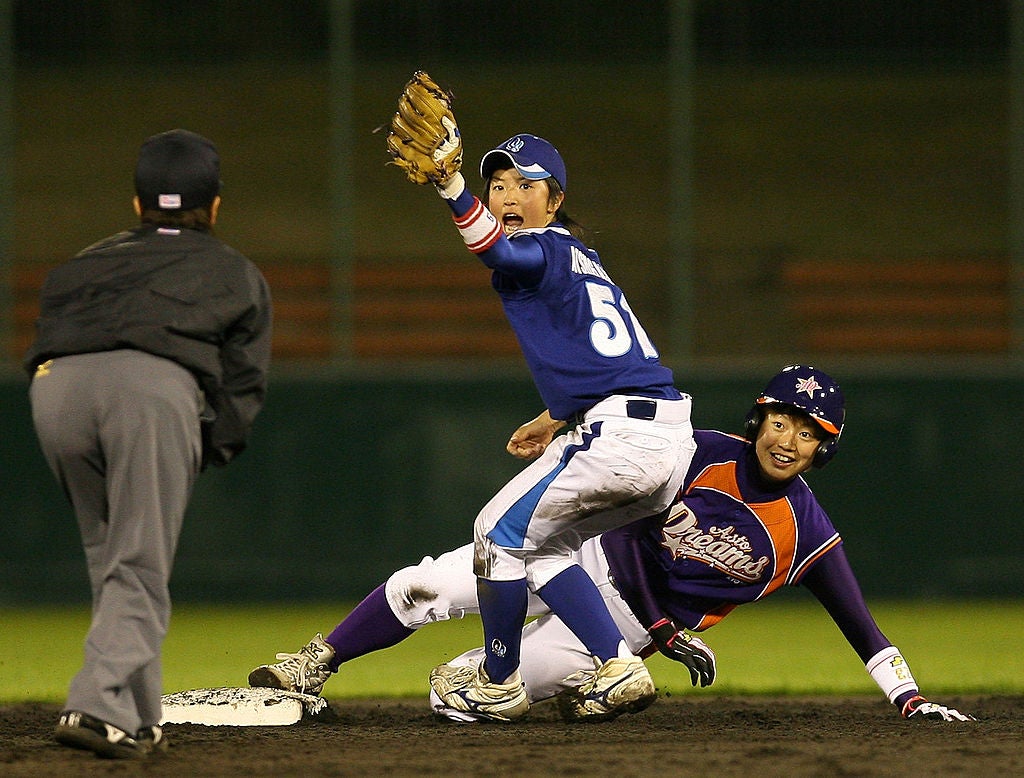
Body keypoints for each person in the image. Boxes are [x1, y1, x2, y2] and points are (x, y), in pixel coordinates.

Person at [249, 365, 973, 724]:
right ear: (759, 421)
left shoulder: (807, 533)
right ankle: (319, 661)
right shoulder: (697, 452)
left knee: (457, 700)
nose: (791, 440)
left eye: (810, 434)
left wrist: (909, 700)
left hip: (624, 630)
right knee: (424, 585)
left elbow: (863, 630)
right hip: (580, 560)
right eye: (783, 421)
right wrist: (556, 423)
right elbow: (623, 519)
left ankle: (572, 688)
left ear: (823, 452)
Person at [385, 126, 698, 723]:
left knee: (494, 532)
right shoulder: (581, 258)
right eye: (497, 184)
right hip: (660, 436)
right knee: (546, 549)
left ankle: (497, 682)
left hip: (620, 434)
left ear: (553, 202)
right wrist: (556, 417)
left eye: (525, 185)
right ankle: (618, 665)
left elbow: (498, 250)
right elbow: (604, 355)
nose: (507, 195)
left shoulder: (542, 248)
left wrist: (451, 185)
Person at [25, 129, 273, 759]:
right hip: (149, 392)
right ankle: (95, 704)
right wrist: (209, 446)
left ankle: (138, 716)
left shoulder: (81, 262)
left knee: (110, 556)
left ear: (138, 204)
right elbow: (242, 383)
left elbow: (46, 330)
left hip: (55, 390)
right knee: (139, 561)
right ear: (214, 206)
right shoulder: (234, 272)